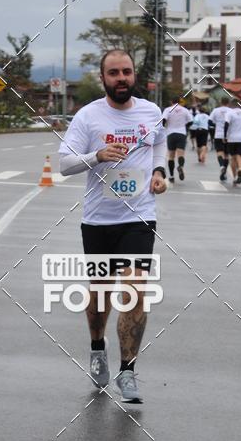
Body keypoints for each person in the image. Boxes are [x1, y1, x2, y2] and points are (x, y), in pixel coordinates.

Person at [58, 49, 167, 402]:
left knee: (135, 290)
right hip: (98, 219)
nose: (122, 78)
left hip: (139, 217)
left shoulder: (150, 112)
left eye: (127, 72)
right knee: (101, 291)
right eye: (114, 73)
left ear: (134, 75)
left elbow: (160, 143)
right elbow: (64, 164)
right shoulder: (88, 117)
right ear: (103, 77)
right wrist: (97, 156)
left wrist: (159, 172)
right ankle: (96, 347)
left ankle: (128, 371)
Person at [162, 96, 193, 183]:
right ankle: (181, 166)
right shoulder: (185, 110)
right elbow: (191, 121)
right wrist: (185, 126)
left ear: (171, 101)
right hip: (181, 133)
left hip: (171, 134)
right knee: (181, 154)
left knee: (171, 156)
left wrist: (164, 128)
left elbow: (163, 120)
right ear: (180, 101)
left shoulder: (168, 109)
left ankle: (171, 176)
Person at [209, 97, 231, 180]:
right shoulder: (230, 111)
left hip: (218, 134)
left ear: (221, 102)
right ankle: (224, 173)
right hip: (228, 135)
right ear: (228, 103)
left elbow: (209, 121)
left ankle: (221, 166)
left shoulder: (216, 110)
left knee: (219, 152)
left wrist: (216, 124)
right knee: (226, 154)